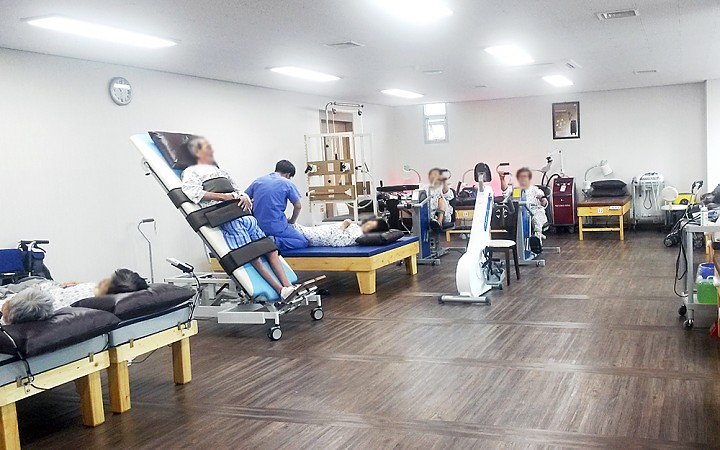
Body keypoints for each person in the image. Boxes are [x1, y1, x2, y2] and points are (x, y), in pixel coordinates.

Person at [181, 138, 298, 300]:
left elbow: (238, 190)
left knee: (270, 249)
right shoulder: (190, 172)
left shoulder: (220, 171)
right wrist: (225, 197)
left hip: (245, 215)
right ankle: (280, 290)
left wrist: (243, 197)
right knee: (253, 254)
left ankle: (288, 286)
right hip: (228, 217)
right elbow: (194, 193)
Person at [0, 269, 149, 323]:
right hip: (48, 288)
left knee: (8, 289)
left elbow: (37, 301)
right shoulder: (97, 297)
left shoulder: (92, 302)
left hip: (35, 291)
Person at [245, 160, 308, 251]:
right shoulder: (287, 183)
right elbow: (298, 206)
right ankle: (274, 241)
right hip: (276, 227)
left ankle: (263, 240)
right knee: (302, 241)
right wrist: (291, 221)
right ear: (288, 175)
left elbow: (245, 198)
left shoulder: (258, 181)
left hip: (257, 227)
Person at [498, 166, 548, 237]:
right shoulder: (517, 190)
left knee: (536, 218)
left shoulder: (535, 189)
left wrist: (543, 200)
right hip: (521, 213)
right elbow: (505, 191)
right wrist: (502, 179)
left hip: (535, 211)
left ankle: (537, 236)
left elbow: (544, 201)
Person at [293, 217, 390, 247]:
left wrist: (344, 225)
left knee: (292, 227)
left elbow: (337, 241)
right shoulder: (357, 228)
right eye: (369, 222)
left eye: (369, 226)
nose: (366, 224)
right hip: (316, 232)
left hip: (316, 236)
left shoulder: (358, 236)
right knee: (291, 225)